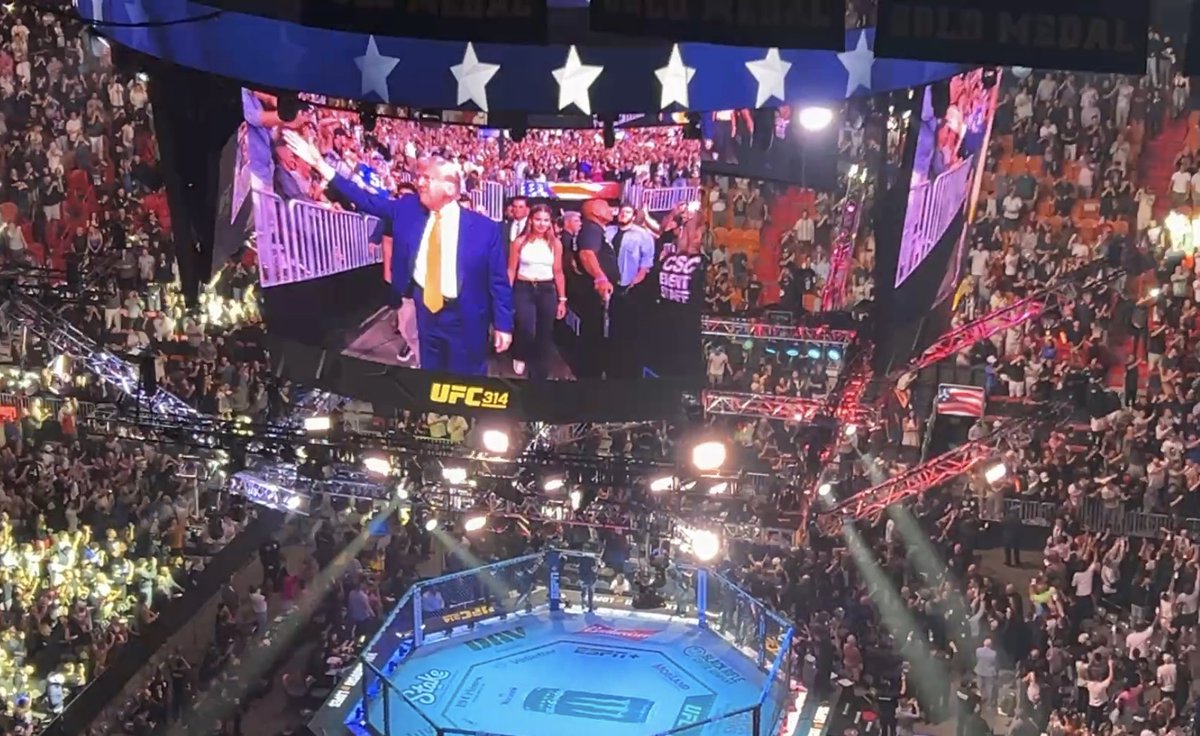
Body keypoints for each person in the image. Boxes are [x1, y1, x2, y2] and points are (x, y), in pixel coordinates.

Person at [284, 131, 513, 375]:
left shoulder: (484, 229)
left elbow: (498, 282)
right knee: (431, 377)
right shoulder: (407, 208)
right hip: (427, 313)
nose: (420, 183)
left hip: (466, 317)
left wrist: (503, 325)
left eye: (427, 178)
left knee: (467, 379)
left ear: (449, 186)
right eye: (419, 177)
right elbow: (365, 199)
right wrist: (321, 165)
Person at [507, 204, 567, 379]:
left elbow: (558, 272)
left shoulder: (555, 244)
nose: (542, 224)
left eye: (546, 220)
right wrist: (505, 295)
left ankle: (539, 373)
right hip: (524, 289)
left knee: (545, 332)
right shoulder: (519, 242)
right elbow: (511, 270)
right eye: (538, 220)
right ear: (531, 220)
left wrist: (562, 299)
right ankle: (520, 353)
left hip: (547, 289)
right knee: (526, 328)